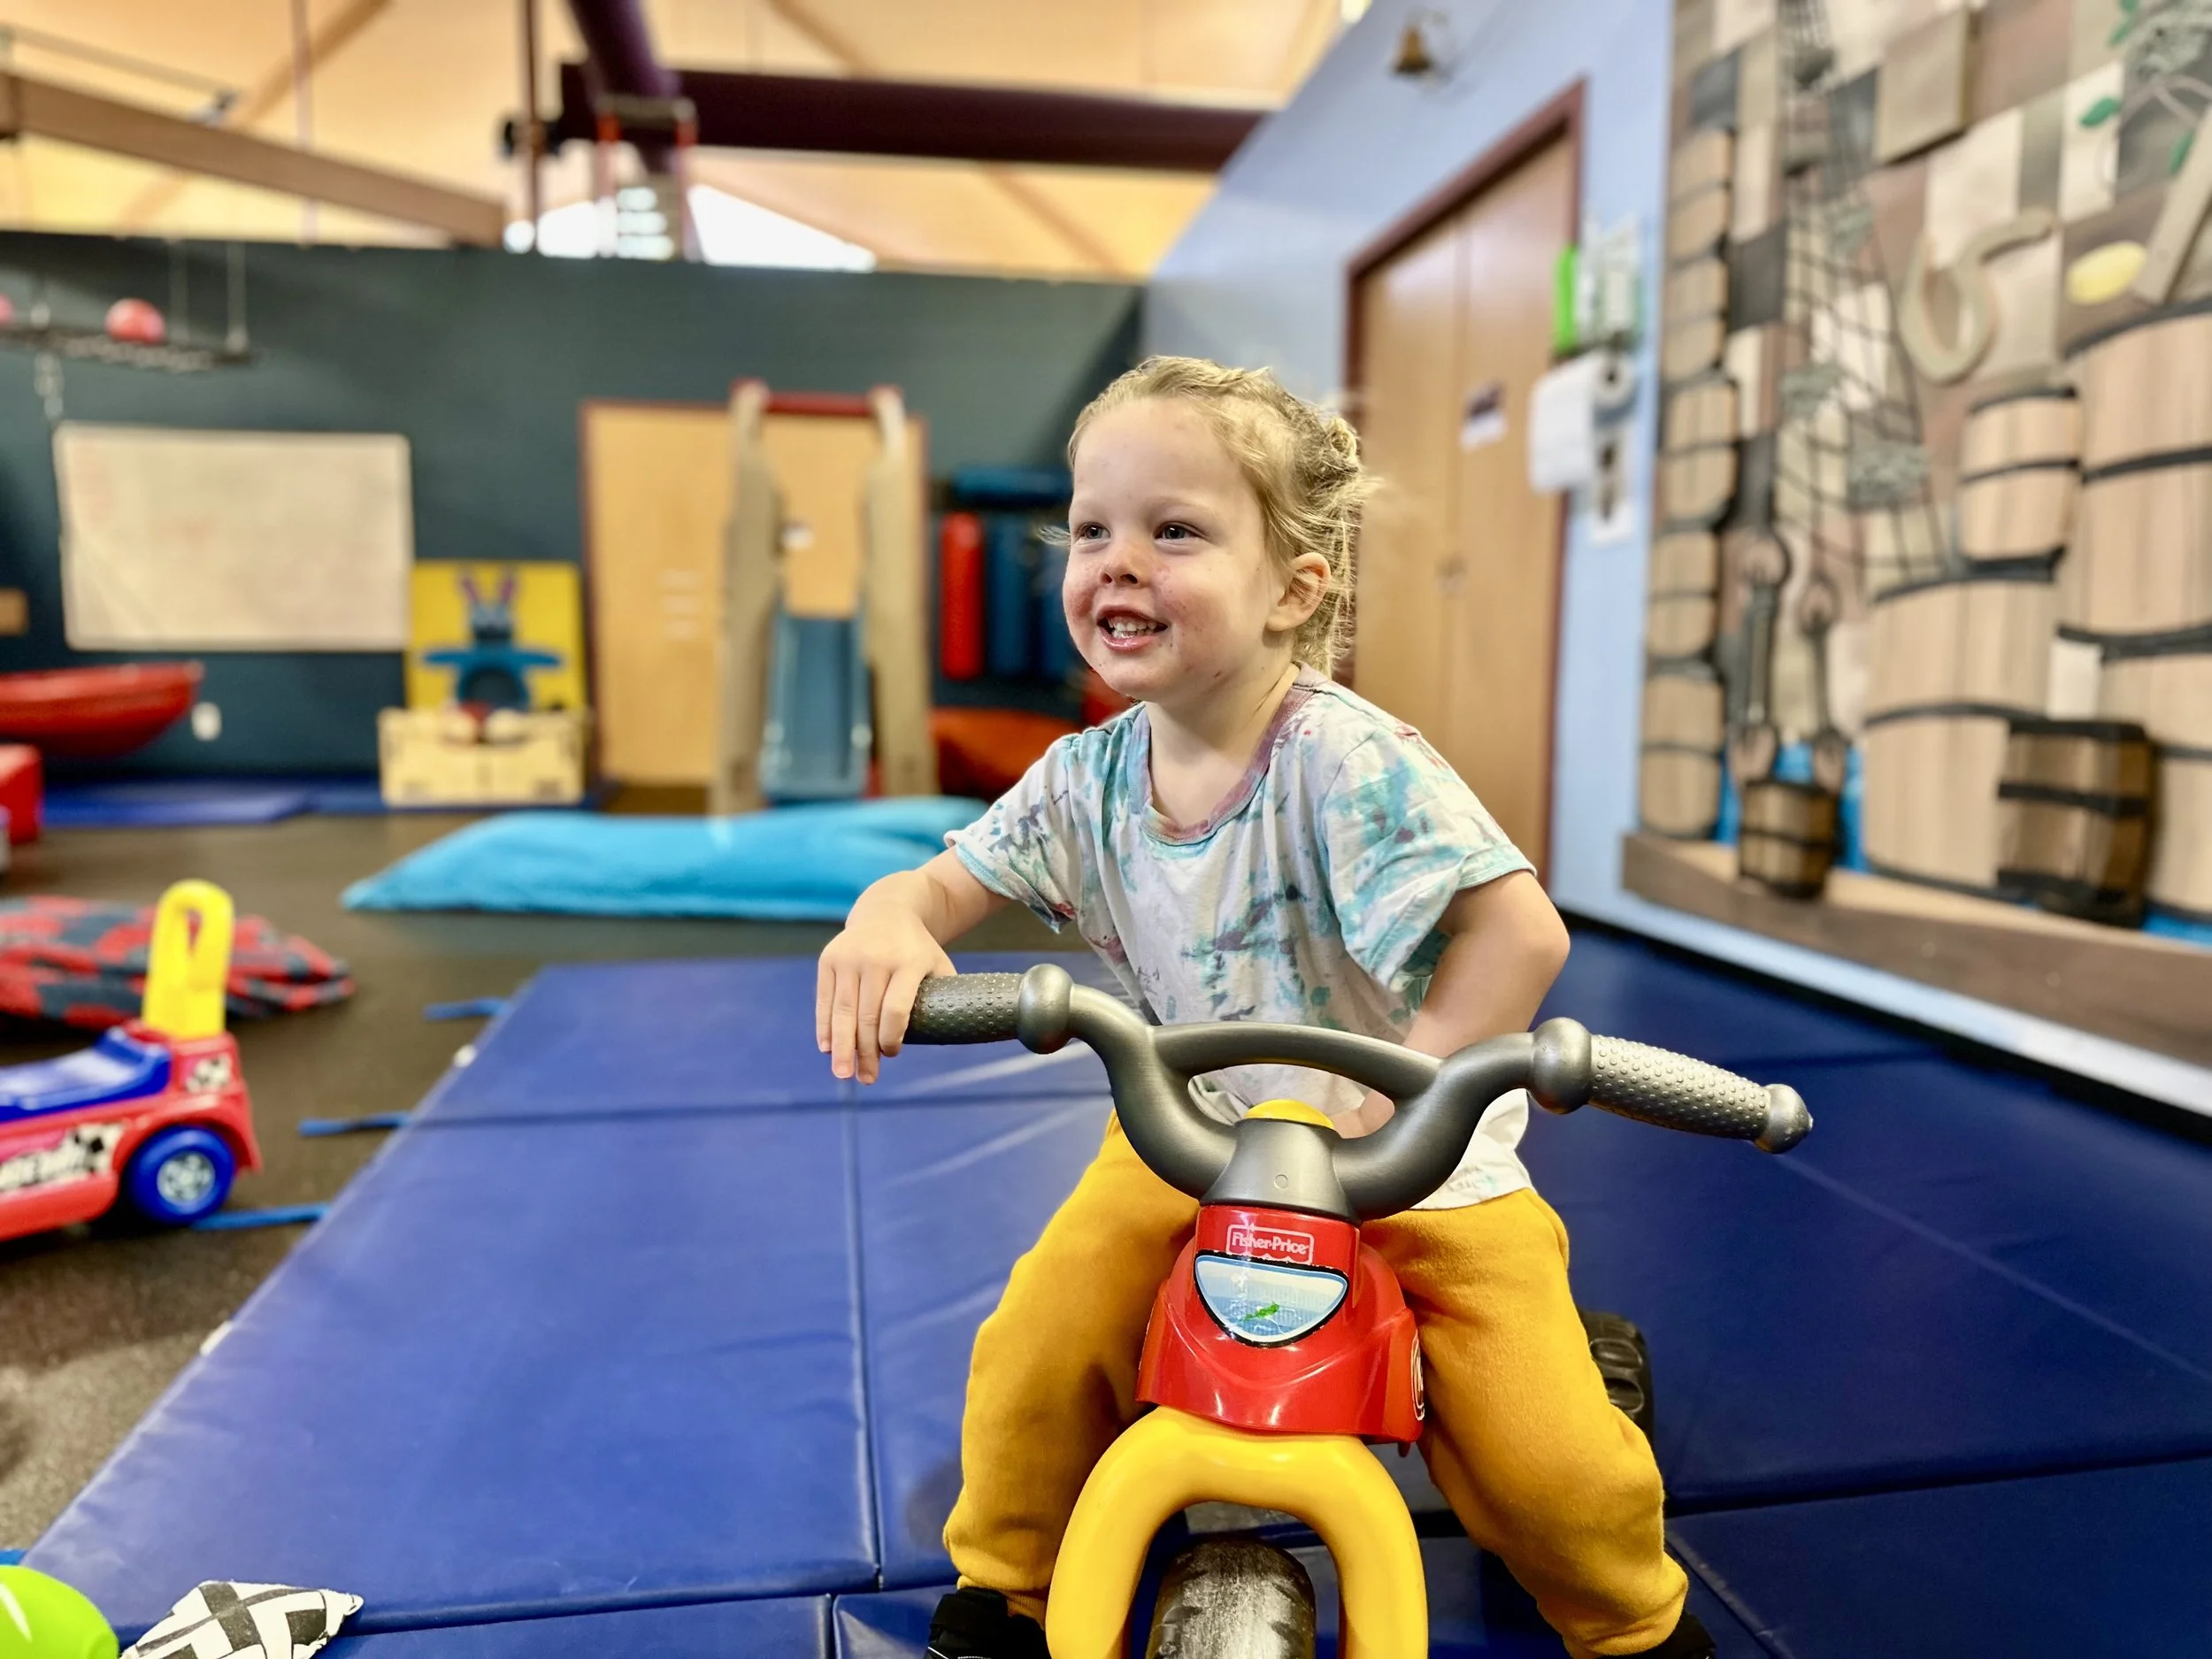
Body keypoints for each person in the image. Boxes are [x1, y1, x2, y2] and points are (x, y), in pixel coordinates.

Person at [816, 357, 1712, 1659]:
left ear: (1296, 586)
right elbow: (941, 886)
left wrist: (1413, 1083)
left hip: (1410, 1156)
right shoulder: (1086, 779)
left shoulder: (1347, 763)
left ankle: (1632, 1618)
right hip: (1195, 1136)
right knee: (1043, 1333)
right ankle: (1009, 1584)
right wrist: (888, 917)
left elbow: (1518, 929)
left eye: (1173, 529)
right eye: (1091, 529)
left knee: (1552, 1463)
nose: (1117, 561)